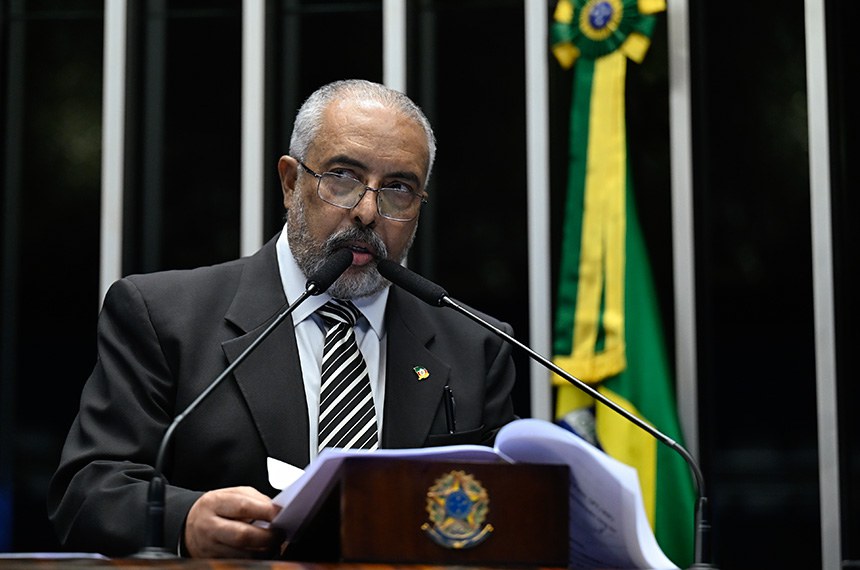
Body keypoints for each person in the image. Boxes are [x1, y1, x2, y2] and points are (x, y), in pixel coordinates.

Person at [47, 79, 517, 559]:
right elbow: (89, 489)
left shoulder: (478, 347)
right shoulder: (165, 316)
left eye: (399, 188)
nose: (368, 212)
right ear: (291, 183)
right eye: (343, 177)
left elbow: (511, 518)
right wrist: (183, 520)